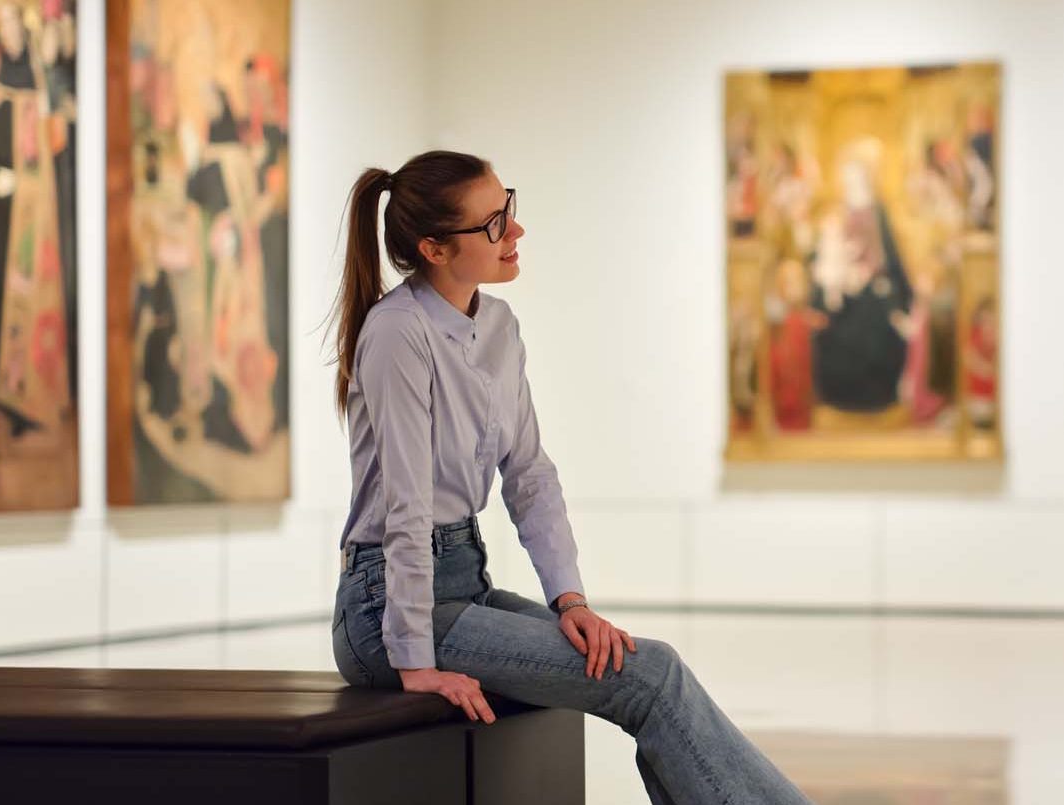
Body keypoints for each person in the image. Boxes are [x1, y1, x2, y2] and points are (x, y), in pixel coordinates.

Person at [328, 150, 810, 804]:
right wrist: (414, 662)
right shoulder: (396, 334)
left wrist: (571, 602)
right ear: (435, 249)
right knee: (650, 675)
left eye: (510, 209)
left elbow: (529, 474)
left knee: (637, 665)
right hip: (387, 609)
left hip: (463, 583)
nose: (515, 232)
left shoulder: (497, 325)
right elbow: (406, 507)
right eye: (493, 223)